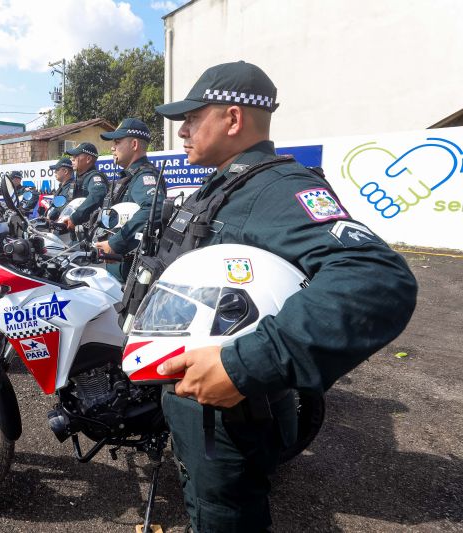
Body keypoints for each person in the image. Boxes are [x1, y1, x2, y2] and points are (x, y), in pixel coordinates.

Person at [147, 60, 418, 532]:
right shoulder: (228, 184)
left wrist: (244, 364)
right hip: (200, 403)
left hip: (227, 414)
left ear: (233, 119)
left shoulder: (275, 189)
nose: (183, 131)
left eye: (192, 117)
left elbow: (376, 278)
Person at [94, 118, 164, 281]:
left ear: (134, 144)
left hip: (130, 273)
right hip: (119, 268)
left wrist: (115, 244)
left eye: (117, 142)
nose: (112, 147)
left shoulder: (144, 176)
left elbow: (153, 208)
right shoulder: (130, 177)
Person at [60, 142, 107, 230]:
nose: (72, 159)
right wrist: (55, 216)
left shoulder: (94, 177)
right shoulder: (79, 179)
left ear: (88, 159)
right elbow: (69, 203)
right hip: (76, 230)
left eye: (76, 156)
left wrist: (75, 217)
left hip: (89, 231)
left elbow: (97, 195)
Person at [46, 157, 77, 221]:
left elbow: (67, 206)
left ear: (65, 171)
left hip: (64, 223)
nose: (55, 172)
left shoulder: (72, 187)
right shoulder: (61, 186)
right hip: (55, 222)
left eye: (57, 170)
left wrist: (51, 216)